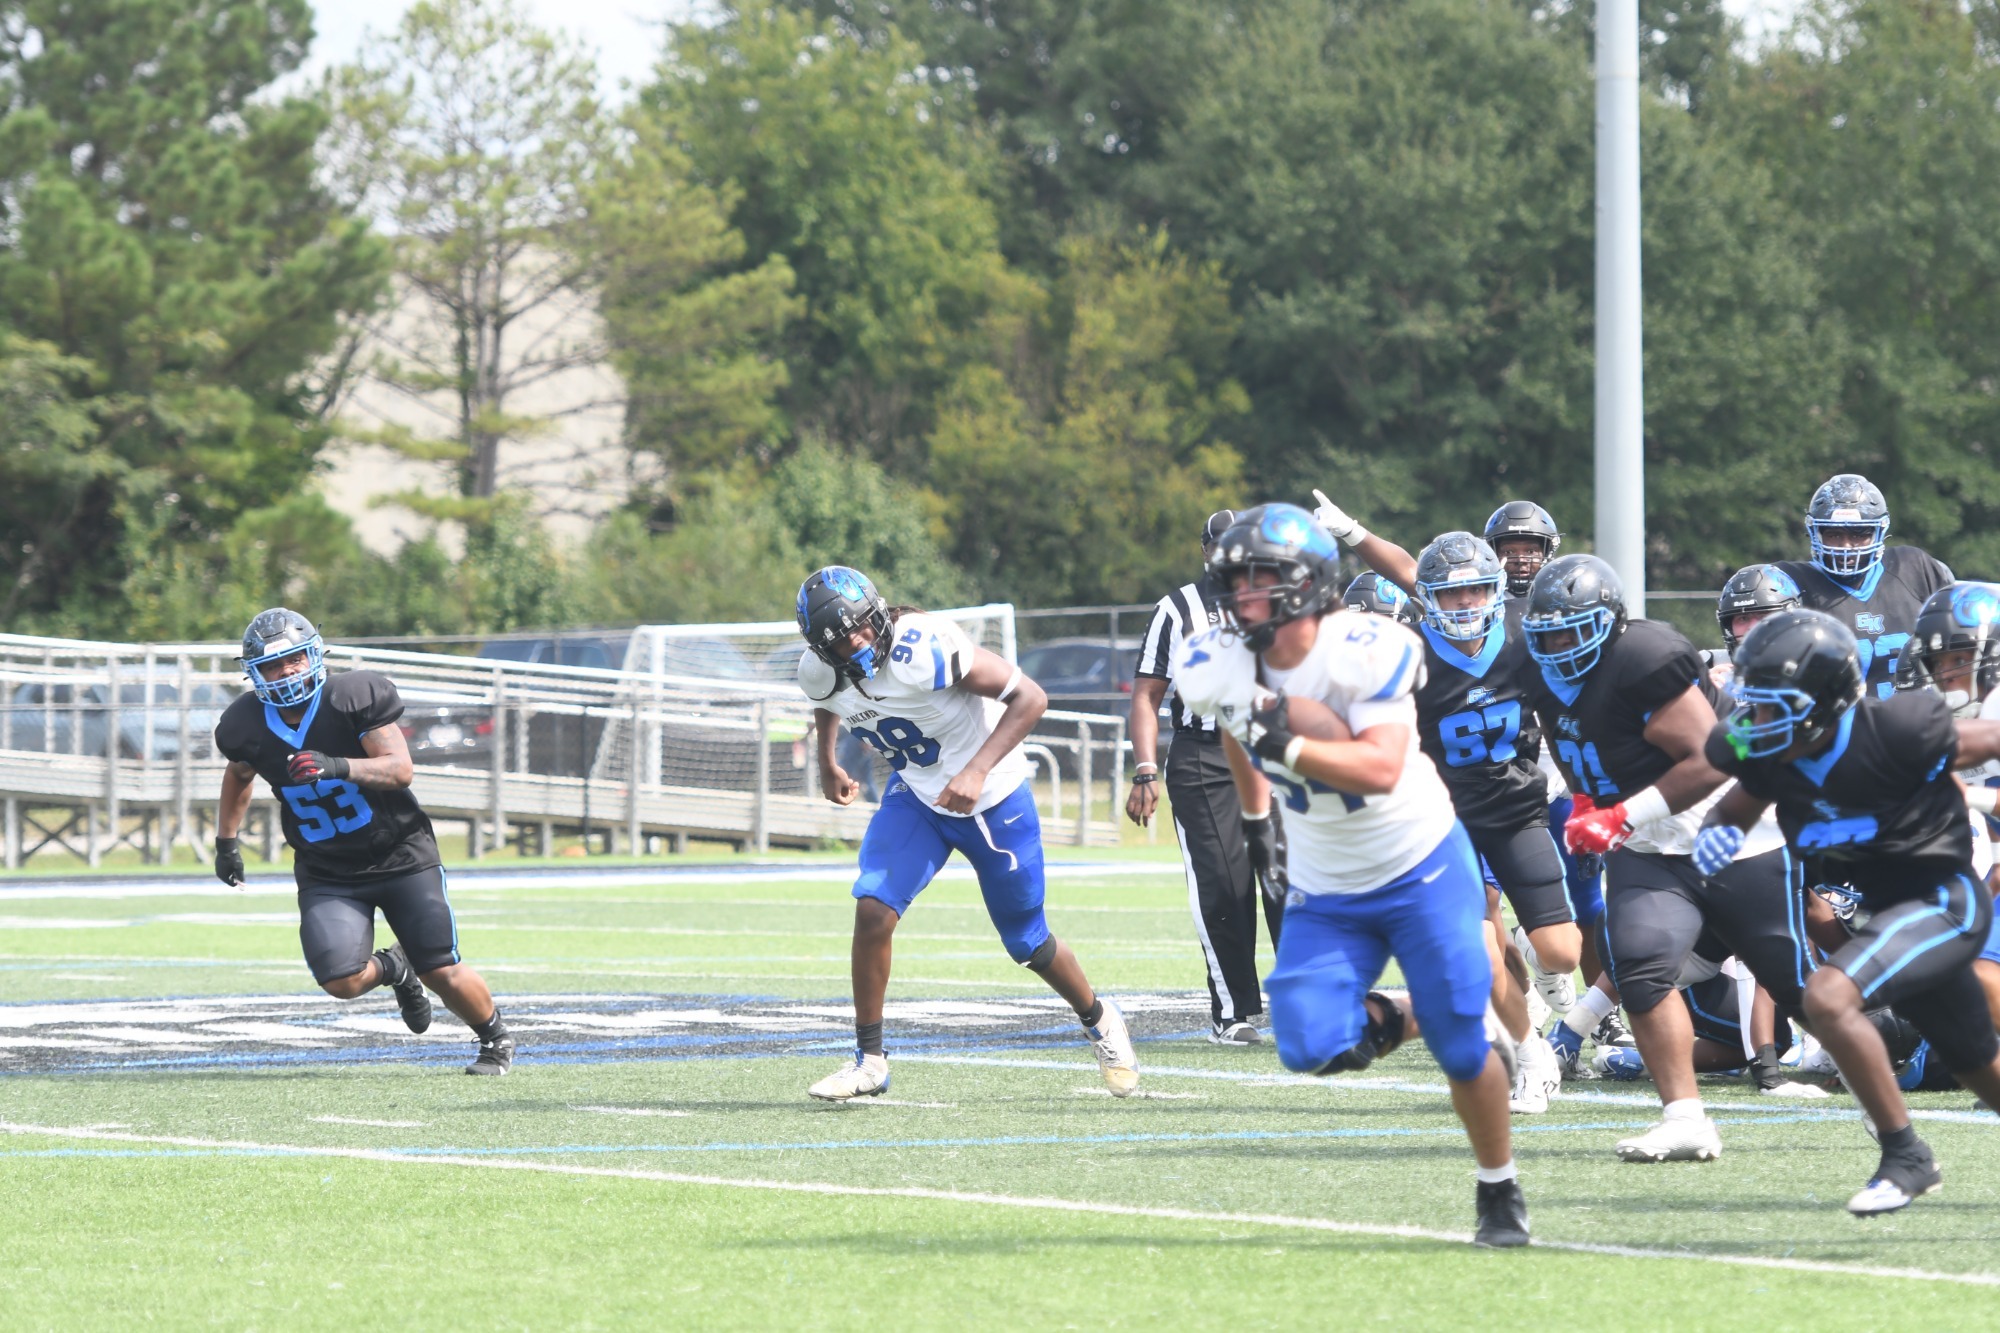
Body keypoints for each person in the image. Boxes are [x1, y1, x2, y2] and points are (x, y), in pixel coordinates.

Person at [1177, 504, 1530, 1248]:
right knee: (1306, 1043)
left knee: (1464, 1046)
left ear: (1309, 583)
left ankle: (1498, 1187)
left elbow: (1379, 765)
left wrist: (1284, 740)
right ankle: (1412, 1011)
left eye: (1263, 580)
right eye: (1236, 581)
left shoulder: (1368, 646)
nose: (1247, 597)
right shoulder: (1213, 660)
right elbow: (1240, 733)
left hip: (1420, 861)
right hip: (1328, 884)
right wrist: (1255, 820)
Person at [795, 565, 1139, 1101]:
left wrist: (976, 769)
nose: (857, 641)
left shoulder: (924, 648)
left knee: (1028, 943)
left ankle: (1099, 1019)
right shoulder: (821, 672)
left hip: (994, 801)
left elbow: (1031, 698)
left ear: (878, 613)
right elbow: (825, 703)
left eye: (862, 626)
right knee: (873, 907)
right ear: (821, 650)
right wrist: (826, 762)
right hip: (918, 798)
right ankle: (870, 1060)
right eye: (840, 641)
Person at [1697, 609, 2000, 1214]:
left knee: (1828, 998)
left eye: (1770, 703)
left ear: (1821, 700)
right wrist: (1716, 834)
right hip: (1889, 920)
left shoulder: (1898, 729)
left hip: (1943, 904)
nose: (1753, 719)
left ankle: (1905, 1157)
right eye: (1752, 702)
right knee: (1981, 1069)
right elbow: (1733, 802)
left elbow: (1988, 740)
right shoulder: (1771, 755)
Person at [1517, 556, 1812, 1161]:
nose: (1558, 646)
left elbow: (1710, 760)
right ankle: (1685, 1119)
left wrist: (1619, 816)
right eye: (1546, 633)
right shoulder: (1541, 671)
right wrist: (1584, 803)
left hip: (1733, 834)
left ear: (1609, 623)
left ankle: (1887, 1115)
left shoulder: (1643, 658)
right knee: (1643, 966)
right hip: (1653, 850)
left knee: (1801, 987)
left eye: (1572, 630)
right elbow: (1575, 746)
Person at [1306, 503, 1569, 1113]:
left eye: (1477, 592)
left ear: (1498, 589)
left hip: (1518, 809)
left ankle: (1532, 963)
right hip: (1446, 823)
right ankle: (1532, 1054)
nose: (1466, 606)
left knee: (1561, 952)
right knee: (1476, 947)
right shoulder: (1409, 657)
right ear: (1427, 601)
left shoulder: (1526, 635)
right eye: (1450, 598)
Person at [212, 608, 513, 1075]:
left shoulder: (351, 697)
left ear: (313, 655)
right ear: (255, 673)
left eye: (293, 659)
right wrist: (226, 842)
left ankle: (495, 1039)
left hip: (400, 854)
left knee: (440, 968)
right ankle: (396, 968)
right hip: (328, 870)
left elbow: (399, 769)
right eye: (274, 665)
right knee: (340, 979)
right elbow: (239, 774)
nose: (286, 672)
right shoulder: (244, 724)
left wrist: (338, 765)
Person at [1130, 510, 1287, 1046]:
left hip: (1274, 750)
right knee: (1223, 883)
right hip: (1204, 757)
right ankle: (1233, 1011)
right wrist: (1145, 769)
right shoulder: (1177, 609)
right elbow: (1147, 695)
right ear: (1205, 552)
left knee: (1291, 879)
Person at [1773, 474, 1952, 699]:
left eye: (1859, 534)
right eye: (1834, 534)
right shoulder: (1789, 582)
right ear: (1816, 533)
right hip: (1838, 731)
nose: (1846, 546)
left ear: (1879, 531)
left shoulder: (1914, 567)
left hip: (1914, 725)